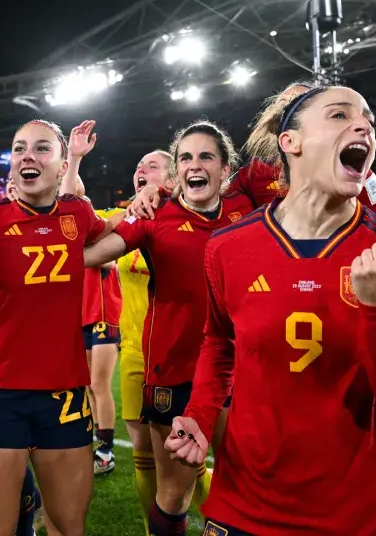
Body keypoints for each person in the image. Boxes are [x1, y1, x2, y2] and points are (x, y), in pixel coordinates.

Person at [166, 83, 376, 535]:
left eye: (368, 121)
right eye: (339, 116)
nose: (364, 127)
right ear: (290, 143)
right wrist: (199, 413)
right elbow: (219, 343)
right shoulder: (227, 247)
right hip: (249, 506)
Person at [82, 120, 259, 535]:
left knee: (246, 484)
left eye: (206, 157)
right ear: (177, 170)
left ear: (225, 167)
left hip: (242, 371)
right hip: (174, 371)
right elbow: (89, 254)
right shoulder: (154, 214)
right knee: (174, 491)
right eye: (185, 158)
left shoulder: (246, 208)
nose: (195, 165)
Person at [0, 119, 118, 536]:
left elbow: (107, 238)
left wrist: (142, 208)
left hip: (65, 392)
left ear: (61, 162)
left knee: (68, 526)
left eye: (41, 148)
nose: (27, 155)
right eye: (18, 148)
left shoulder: (77, 213)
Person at [65, 144, 176, 530]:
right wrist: (74, 159)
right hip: (132, 351)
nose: (142, 169)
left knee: (183, 461)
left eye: (154, 165)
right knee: (145, 458)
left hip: (179, 353)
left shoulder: (190, 219)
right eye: (139, 165)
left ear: (173, 177)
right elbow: (75, 208)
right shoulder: (123, 219)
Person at [58, 125, 123, 477]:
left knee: (99, 385)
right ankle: (90, 442)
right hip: (79, 316)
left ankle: (107, 450)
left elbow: (107, 259)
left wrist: (74, 161)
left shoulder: (100, 225)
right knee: (83, 386)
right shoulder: (66, 226)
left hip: (102, 314)